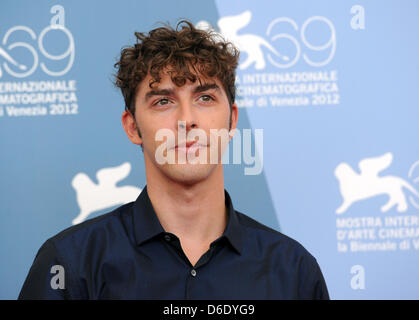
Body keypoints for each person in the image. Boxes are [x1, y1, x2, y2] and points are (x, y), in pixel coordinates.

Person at [18, 20, 329, 300]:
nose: (186, 120)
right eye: (163, 101)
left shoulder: (294, 271)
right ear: (132, 126)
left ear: (232, 121)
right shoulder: (70, 263)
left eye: (205, 98)